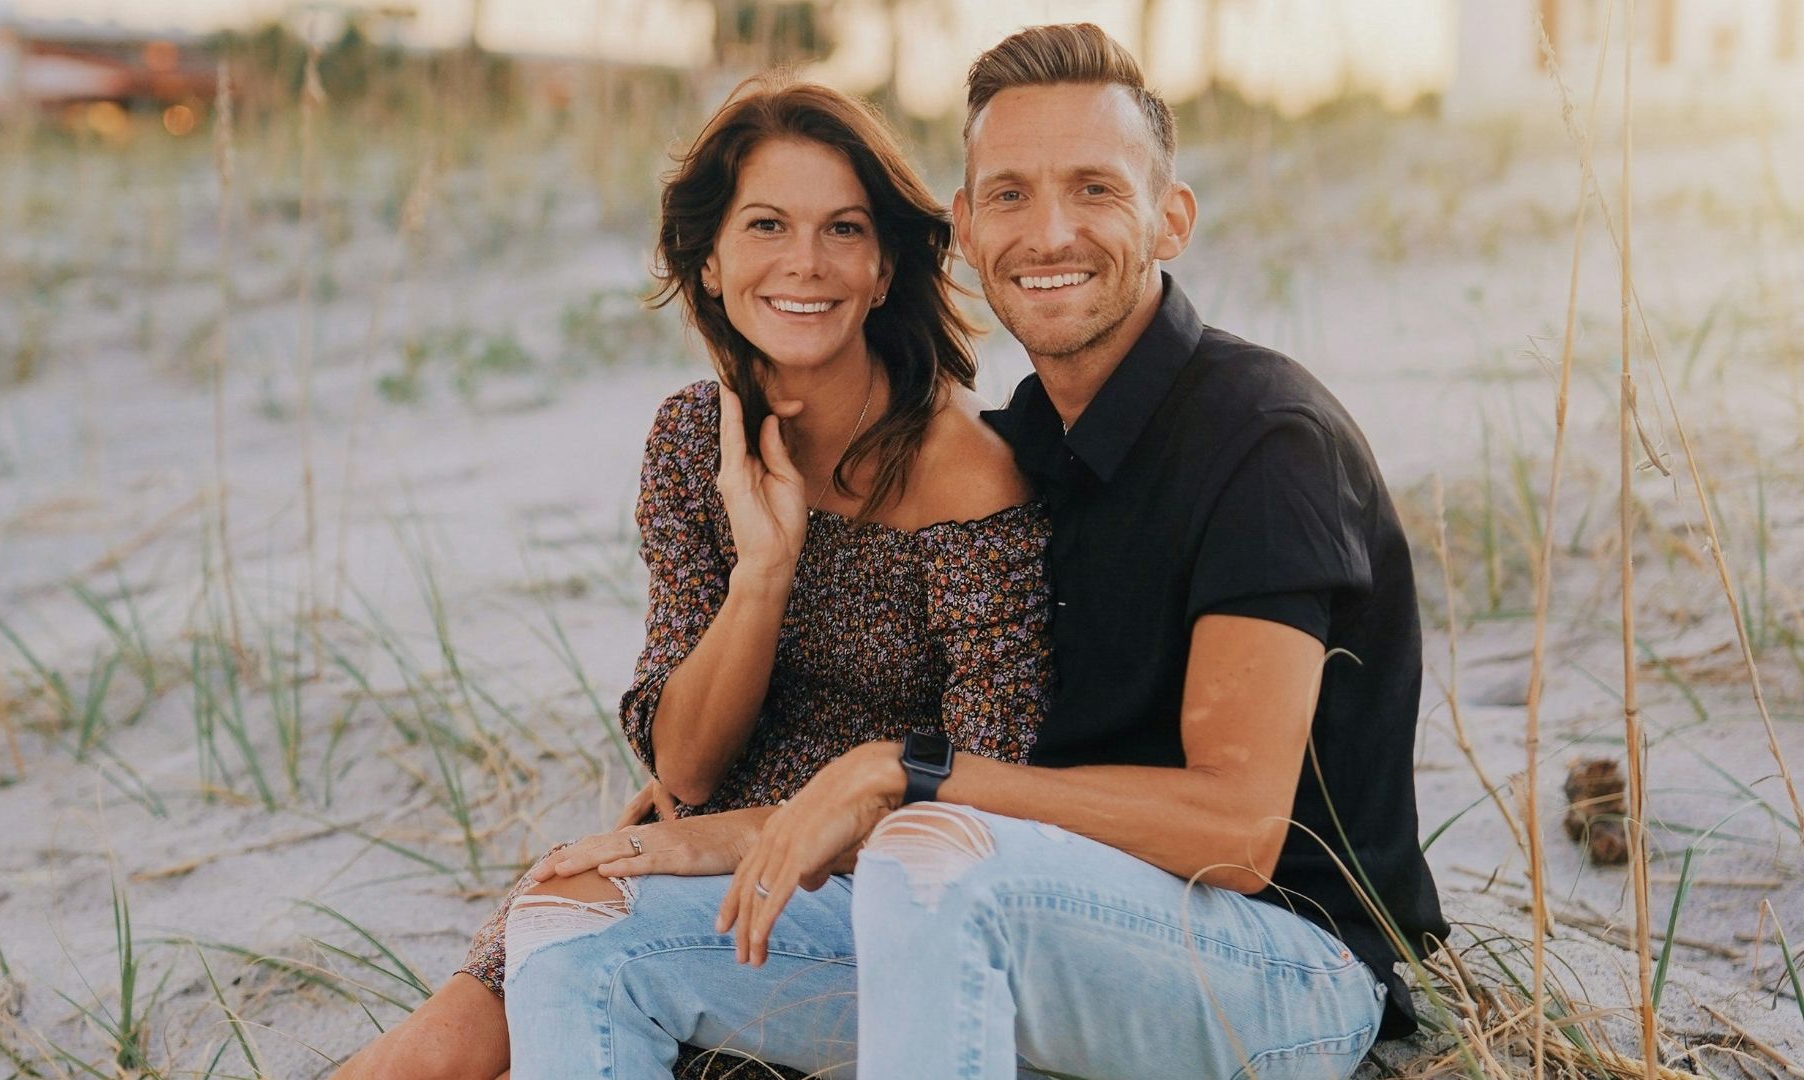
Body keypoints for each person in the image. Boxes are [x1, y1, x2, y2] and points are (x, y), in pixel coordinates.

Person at [517, 23, 1449, 1080]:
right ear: (963, 228)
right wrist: (721, 832)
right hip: (1031, 917)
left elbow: (1233, 832)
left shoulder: (1263, 440)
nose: (1048, 231)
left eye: (1096, 188)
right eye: (1009, 194)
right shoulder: (1026, 449)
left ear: (1172, 219)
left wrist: (901, 776)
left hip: (1289, 974)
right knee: (576, 929)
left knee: (932, 850)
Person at [330, 76, 1052, 1080]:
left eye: (843, 229)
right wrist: (764, 570)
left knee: (567, 939)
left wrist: (715, 843)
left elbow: (982, 791)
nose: (804, 262)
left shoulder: (965, 471)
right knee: (440, 1047)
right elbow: (685, 765)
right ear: (710, 263)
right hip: (699, 836)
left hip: (875, 885)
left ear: (884, 269)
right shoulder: (690, 440)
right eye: (766, 225)